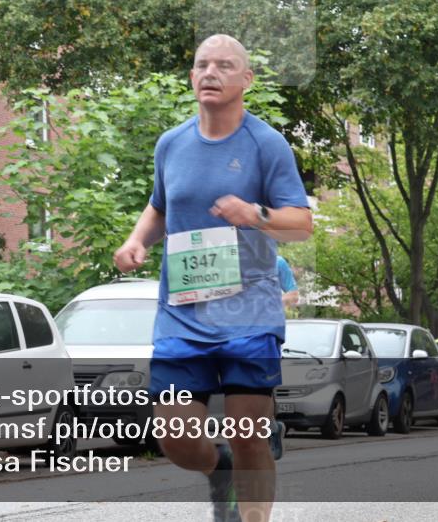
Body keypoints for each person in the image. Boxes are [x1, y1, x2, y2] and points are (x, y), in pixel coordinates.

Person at [113, 35, 312, 522]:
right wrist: (138, 240)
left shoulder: (266, 144)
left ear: (246, 80)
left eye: (224, 66)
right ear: (191, 76)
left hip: (250, 315)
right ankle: (217, 466)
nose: (210, 72)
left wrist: (255, 213)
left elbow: (301, 223)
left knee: (250, 436)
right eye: (202, 64)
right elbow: (161, 205)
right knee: (175, 439)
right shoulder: (172, 144)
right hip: (183, 315)